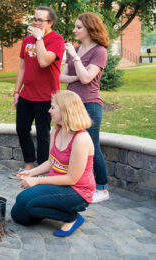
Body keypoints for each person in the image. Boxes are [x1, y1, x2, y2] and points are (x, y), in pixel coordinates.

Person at [11, 90, 95, 237]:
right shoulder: (56, 131)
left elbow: (72, 179)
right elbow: (51, 162)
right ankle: (48, 206)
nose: (49, 110)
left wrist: (36, 181)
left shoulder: (81, 139)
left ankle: (71, 217)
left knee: (24, 200)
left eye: (53, 107)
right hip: (57, 185)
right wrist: (31, 172)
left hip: (76, 191)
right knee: (18, 215)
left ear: (66, 111)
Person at [60, 12, 110, 203]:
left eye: (78, 27)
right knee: (72, 146)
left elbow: (88, 78)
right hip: (71, 105)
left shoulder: (100, 51)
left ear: (90, 29)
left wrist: (76, 58)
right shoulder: (75, 48)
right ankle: (80, 183)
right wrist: (76, 76)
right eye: (75, 26)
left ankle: (103, 189)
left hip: (89, 105)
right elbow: (61, 77)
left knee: (92, 147)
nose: (74, 30)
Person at [11, 6, 65, 178]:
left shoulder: (57, 40)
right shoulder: (27, 40)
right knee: (21, 129)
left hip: (46, 97)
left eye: (40, 20)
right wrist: (16, 91)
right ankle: (28, 165)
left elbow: (43, 61)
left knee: (43, 134)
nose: (35, 22)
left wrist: (40, 38)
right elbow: (22, 66)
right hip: (27, 95)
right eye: (34, 19)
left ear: (50, 23)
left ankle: (42, 170)